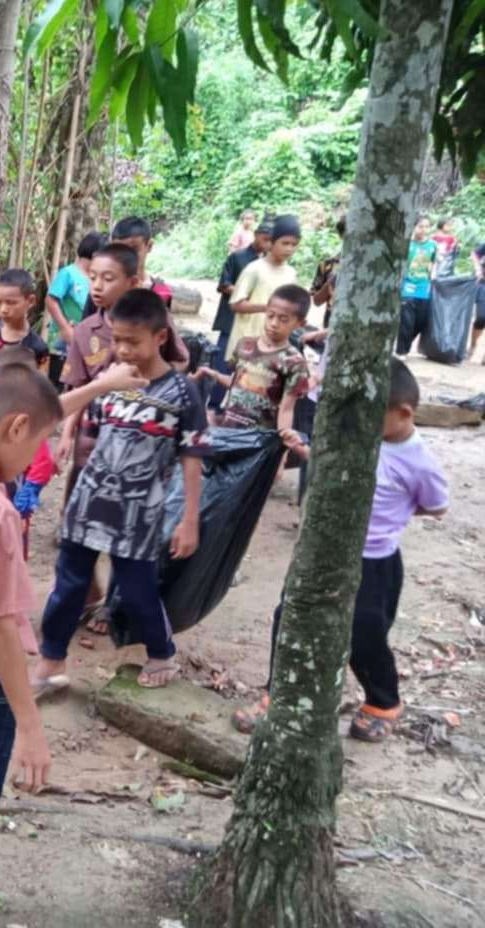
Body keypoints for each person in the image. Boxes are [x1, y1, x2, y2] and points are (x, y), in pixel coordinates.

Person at [0, 357, 145, 928]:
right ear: (15, 430)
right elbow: (2, 632)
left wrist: (98, 387)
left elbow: (19, 413)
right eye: (35, 444)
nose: (38, 460)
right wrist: (32, 731)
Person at [234, 358, 449, 741]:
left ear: (402, 413)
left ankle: (383, 700)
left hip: (375, 562)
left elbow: (436, 505)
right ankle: (278, 693)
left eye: (372, 415)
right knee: (289, 616)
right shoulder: (357, 437)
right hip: (320, 550)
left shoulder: (419, 462)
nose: (363, 422)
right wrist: (304, 449)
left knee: (365, 633)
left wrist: (396, 511)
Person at [35, 290, 210, 695]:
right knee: (68, 587)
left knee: (136, 588)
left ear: (160, 337)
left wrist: (189, 519)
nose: (123, 349)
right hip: (90, 502)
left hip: (139, 512)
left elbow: (192, 456)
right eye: (117, 339)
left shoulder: (183, 393)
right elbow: (90, 435)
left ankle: (161, 651)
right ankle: (50, 662)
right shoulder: (109, 380)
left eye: (133, 341)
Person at [56, 241, 190, 635]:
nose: (97, 285)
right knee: (77, 530)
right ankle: (89, 599)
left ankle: (117, 607)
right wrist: (66, 435)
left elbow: (178, 364)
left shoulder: (152, 321)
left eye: (108, 278)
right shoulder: (85, 331)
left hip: (144, 450)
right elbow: (77, 386)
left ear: (132, 281)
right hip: (91, 449)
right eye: (92, 277)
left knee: (129, 542)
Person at [196, 284, 312, 433]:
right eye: (270, 315)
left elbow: (287, 409)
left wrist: (285, 443)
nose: (274, 323)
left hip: (258, 439)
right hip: (228, 429)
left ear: (300, 324)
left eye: (283, 319)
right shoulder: (245, 345)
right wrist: (215, 375)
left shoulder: (294, 362)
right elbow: (238, 383)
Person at [0, 346, 57, 559]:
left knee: (14, 548)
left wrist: (30, 489)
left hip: (16, 489)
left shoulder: (29, 415)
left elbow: (43, 460)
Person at [211, 221, 273, 414]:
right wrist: (244, 295)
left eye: (271, 241)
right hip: (231, 320)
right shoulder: (237, 258)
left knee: (250, 370)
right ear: (256, 235)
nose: (267, 245)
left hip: (255, 324)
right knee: (224, 365)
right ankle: (213, 407)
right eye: (265, 239)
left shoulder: (271, 266)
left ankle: (237, 412)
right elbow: (223, 285)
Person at [225, 214, 301, 362]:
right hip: (247, 339)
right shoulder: (254, 269)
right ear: (271, 242)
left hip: (273, 343)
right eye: (285, 243)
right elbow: (235, 304)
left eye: (294, 244)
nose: (289, 249)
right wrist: (268, 308)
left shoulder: (291, 274)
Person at [45, 232, 104, 386]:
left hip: (85, 339)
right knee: (56, 380)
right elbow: (51, 300)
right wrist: (64, 328)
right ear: (96, 255)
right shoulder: (68, 273)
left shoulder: (95, 279)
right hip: (62, 338)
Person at [0, 267, 49, 373]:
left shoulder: (38, 348)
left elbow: (40, 385)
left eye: (11, 303)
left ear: (31, 301)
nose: (3, 309)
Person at [397, 216, 438, 356]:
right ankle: (401, 351)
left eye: (427, 226)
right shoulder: (406, 243)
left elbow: (434, 262)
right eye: (421, 226)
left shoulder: (432, 245)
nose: (424, 230)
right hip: (407, 286)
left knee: (420, 322)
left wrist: (434, 275)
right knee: (407, 322)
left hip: (424, 288)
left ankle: (405, 346)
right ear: (413, 227)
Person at [111, 216, 172, 308]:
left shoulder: (161, 292)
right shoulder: (104, 290)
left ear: (149, 246)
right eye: (119, 249)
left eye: (133, 249)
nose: (126, 256)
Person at [310, 217, 345, 328]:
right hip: (332, 322)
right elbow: (316, 301)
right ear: (341, 236)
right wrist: (331, 281)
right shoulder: (327, 265)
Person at [471, 238, 485, 362]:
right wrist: (478, 268)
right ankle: (473, 346)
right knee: (481, 317)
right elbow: (475, 253)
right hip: (483, 283)